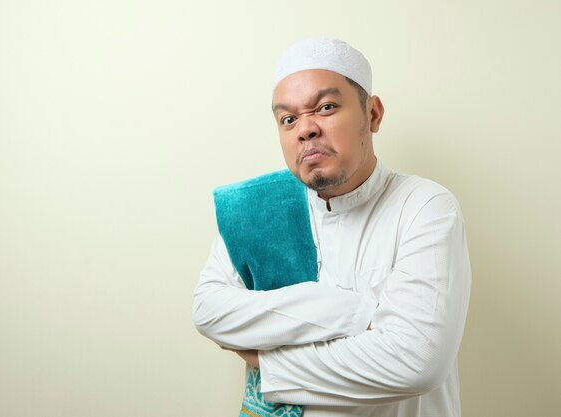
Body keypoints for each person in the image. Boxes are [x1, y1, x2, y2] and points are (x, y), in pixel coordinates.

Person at [192, 37, 471, 417]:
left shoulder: (424, 206)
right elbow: (209, 310)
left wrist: (267, 358)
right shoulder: (258, 210)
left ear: (372, 114)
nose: (305, 130)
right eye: (288, 119)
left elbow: (416, 363)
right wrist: (355, 313)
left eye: (325, 107)